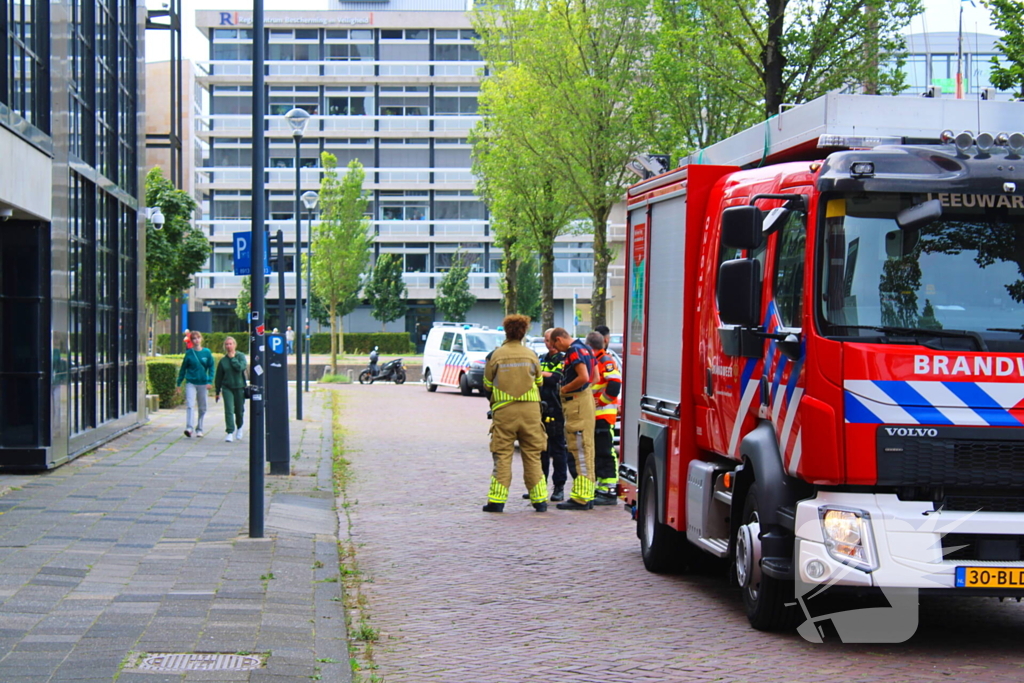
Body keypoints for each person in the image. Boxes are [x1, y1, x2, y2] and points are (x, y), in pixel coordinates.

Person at [482, 314, 548, 513]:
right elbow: (539, 383)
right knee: (533, 455)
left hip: (505, 412)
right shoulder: (531, 355)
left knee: (502, 455)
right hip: (531, 413)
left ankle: (497, 502)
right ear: (524, 331)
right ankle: (540, 501)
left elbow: (486, 385)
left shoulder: (496, 355)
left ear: (506, 331)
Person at [523, 328, 572, 502]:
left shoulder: (564, 358)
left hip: (556, 409)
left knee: (558, 451)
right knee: (540, 450)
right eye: (545, 340)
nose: (548, 343)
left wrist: (537, 374)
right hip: (538, 410)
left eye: (550, 339)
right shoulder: (541, 358)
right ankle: (539, 486)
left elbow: (556, 378)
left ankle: (558, 487)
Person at [550, 327, 596, 510]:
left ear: (559, 339)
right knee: (586, 448)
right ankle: (587, 494)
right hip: (584, 400)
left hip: (576, 403)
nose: (555, 348)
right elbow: (594, 376)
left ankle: (581, 498)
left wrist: (565, 389)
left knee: (580, 450)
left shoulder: (573, 351)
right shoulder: (586, 348)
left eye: (554, 344)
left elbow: (583, 376)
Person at [586, 331, 622, 505]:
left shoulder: (605, 361)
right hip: (595, 415)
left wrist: (601, 401)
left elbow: (615, 384)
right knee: (597, 453)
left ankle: (608, 490)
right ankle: (601, 487)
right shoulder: (597, 360)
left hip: (603, 414)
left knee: (605, 452)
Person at [176, 330, 214, 438]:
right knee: (190, 405)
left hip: (202, 383)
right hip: (191, 382)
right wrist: (178, 383)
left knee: (202, 407)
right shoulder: (189, 353)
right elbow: (183, 369)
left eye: (198, 338)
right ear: (191, 341)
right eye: (194, 338)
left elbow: (211, 367)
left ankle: (200, 428)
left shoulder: (207, 352)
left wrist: (209, 380)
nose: (196, 340)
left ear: (201, 339)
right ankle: (189, 427)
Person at [215, 336, 247, 443]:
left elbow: (240, 368)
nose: (228, 346)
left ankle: (240, 427)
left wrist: (233, 359)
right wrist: (217, 391)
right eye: (226, 344)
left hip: (239, 387)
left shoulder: (240, 356)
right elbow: (219, 377)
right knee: (228, 409)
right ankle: (229, 432)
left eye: (230, 344)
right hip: (227, 387)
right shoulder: (223, 361)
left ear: (235, 345)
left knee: (239, 410)